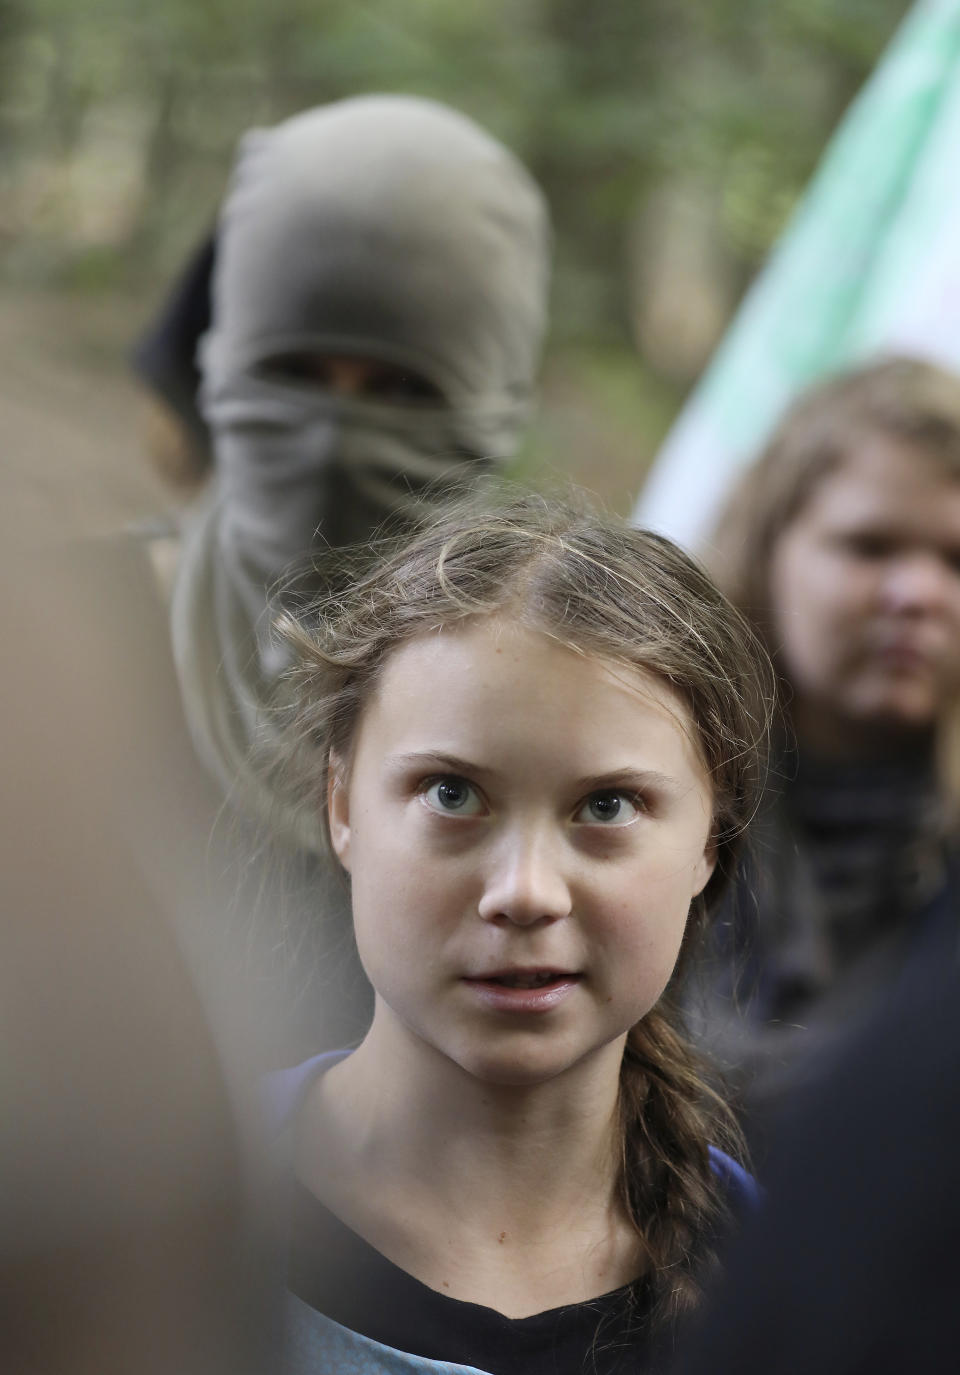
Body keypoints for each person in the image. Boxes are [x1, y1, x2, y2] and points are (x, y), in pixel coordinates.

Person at [261, 489, 776, 1374]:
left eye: (607, 806)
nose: (525, 893)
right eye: (452, 794)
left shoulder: (788, 1290)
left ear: (710, 841)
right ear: (341, 804)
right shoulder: (153, 1207)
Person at [130, 94, 551, 1058]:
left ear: (496, 394)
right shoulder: (53, 656)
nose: (333, 434)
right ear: (219, 362)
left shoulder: (566, 699)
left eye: (403, 389)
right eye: (295, 372)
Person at [688, 356, 960, 1144]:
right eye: (870, 546)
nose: (918, 593)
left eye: (956, 559)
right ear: (772, 549)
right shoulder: (643, 793)